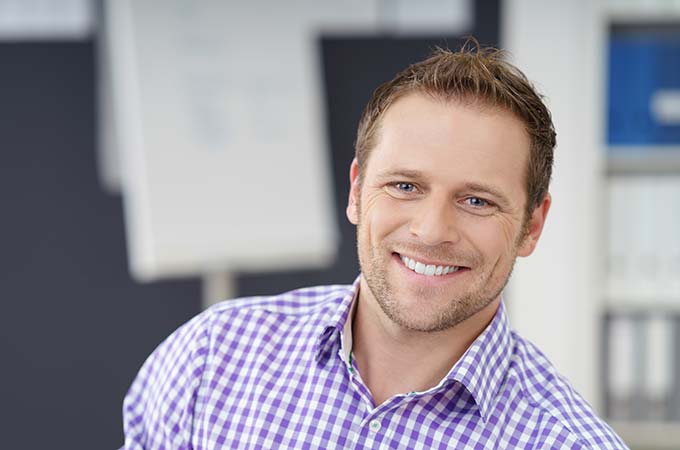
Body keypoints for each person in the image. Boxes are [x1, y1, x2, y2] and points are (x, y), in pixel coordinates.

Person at [120, 44, 629, 449]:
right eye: (405, 186)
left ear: (532, 226)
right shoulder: (211, 360)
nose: (431, 231)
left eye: (476, 200)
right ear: (357, 191)